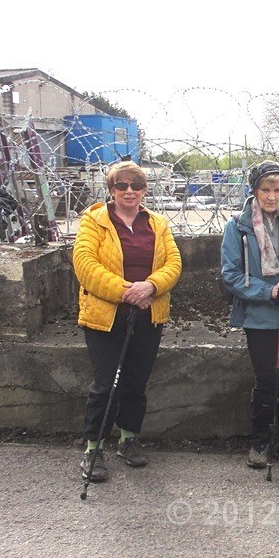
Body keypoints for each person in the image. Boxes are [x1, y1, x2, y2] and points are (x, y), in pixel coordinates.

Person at [73, 161, 182, 482]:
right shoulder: (94, 221)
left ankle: (128, 440)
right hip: (104, 316)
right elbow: (85, 265)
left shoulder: (158, 224)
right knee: (106, 384)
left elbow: (173, 262)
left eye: (136, 185)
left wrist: (151, 286)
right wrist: (127, 292)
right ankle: (93, 447)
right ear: (111, 190)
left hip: (149, 314)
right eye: (122, 186)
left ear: (145, 189)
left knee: (135, 382)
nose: (129, 191)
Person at [221, 161, 279, 470]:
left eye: (278, 190)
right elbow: (232, 275)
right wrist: (269, 292)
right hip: (261, 317)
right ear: (254, 190)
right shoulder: (238, 226)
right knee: (268, 378)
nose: (272, 197)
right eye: (265, 190)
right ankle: (259, 441)